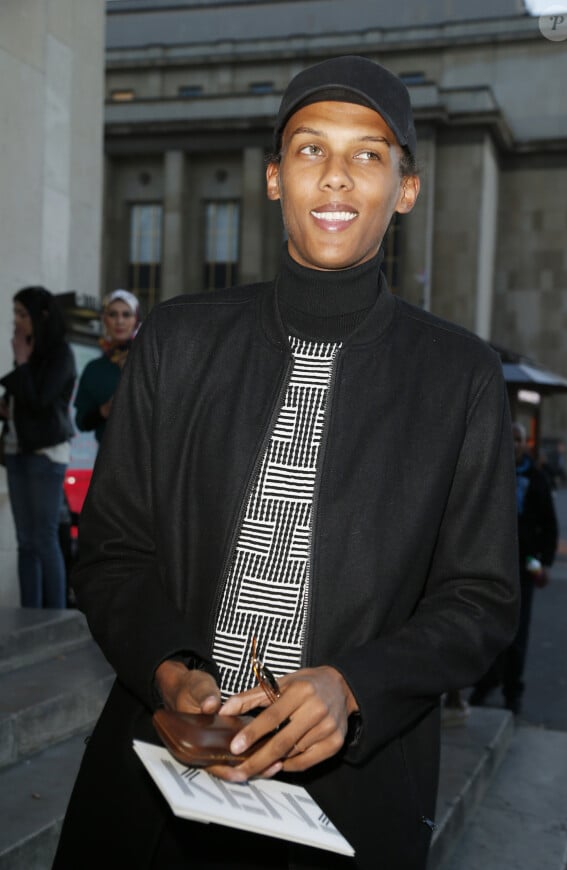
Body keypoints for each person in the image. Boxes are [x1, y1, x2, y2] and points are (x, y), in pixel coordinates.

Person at [53, 56, 519, 870]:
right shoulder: (178, 338)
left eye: (368, 155)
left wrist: (357, 686)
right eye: (309, 150)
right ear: (274, 178)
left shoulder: (461, 377)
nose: (336, 177)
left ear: (405, 188)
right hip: (157, 782)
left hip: (344, 805)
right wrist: (172, 671)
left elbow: (480, 599)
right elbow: (114, 552)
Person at [470, 422, 558, 715]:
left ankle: (512, 691)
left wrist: (543, 562)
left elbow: (549, 524)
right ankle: (486, 682)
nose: (514, 443)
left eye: (518, 439)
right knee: (489, 628)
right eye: (510, 438)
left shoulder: (536, 478)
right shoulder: (492, 473)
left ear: (526, 444)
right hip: (493, 565)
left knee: (518, 632)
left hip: (525, 564)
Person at [0, 286, 76, 608]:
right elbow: (20, 399)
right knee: (25, 542)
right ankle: (29, 614)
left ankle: (55, 615)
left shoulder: (59, 353)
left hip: (46, 457)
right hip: (17, 452)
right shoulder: (29, 351)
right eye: (14, 313)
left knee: (45, 539)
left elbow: (42, 399)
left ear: (40, 316)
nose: (16, 320)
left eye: (22, 313)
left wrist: (21, 361)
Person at [74, 289, 140, 445]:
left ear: (136, 320)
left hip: (147, 458)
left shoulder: (150, 360)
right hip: (108, 459)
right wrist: (104, 411)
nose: (120, 321)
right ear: (104, 319)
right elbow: (81, 422)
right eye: (113, 314)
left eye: (126, 314)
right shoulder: (95, 369)